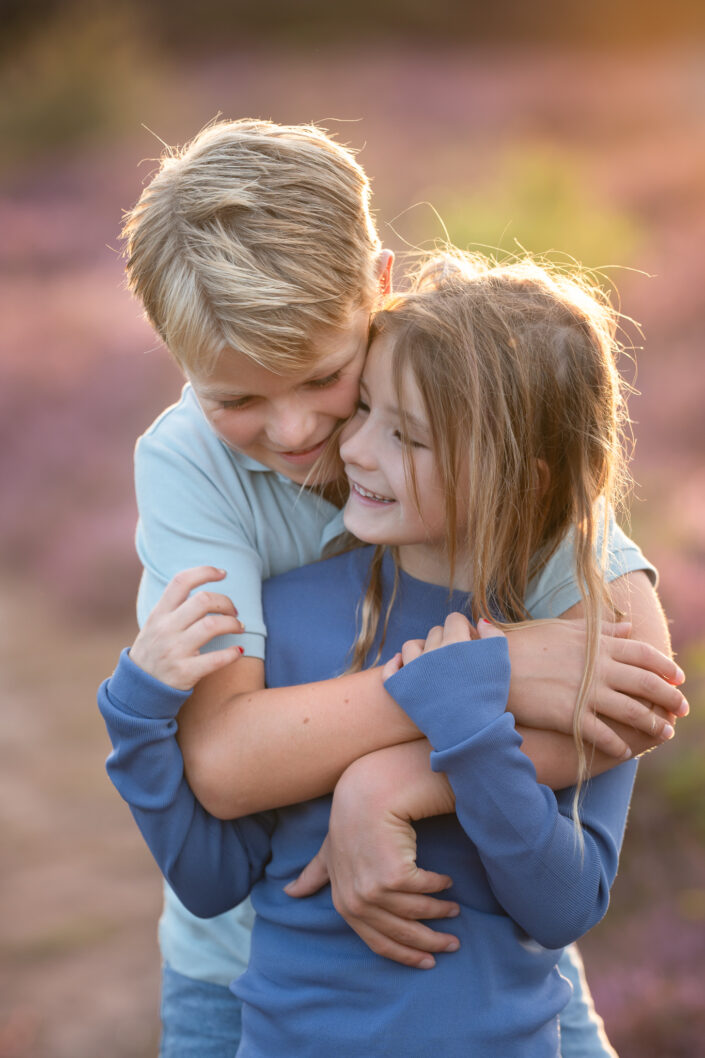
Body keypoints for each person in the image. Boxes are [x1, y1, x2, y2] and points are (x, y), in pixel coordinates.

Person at [119, 119, 686, 1056]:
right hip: (255, 969)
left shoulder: (466, 405)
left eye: (326, 376)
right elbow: (224, 760)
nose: (306, 433)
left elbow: (629, 689)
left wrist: (388, 782)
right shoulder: (188, 466)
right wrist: (492, 671)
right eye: (237, 401)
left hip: (489, 963)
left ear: (379, 287)